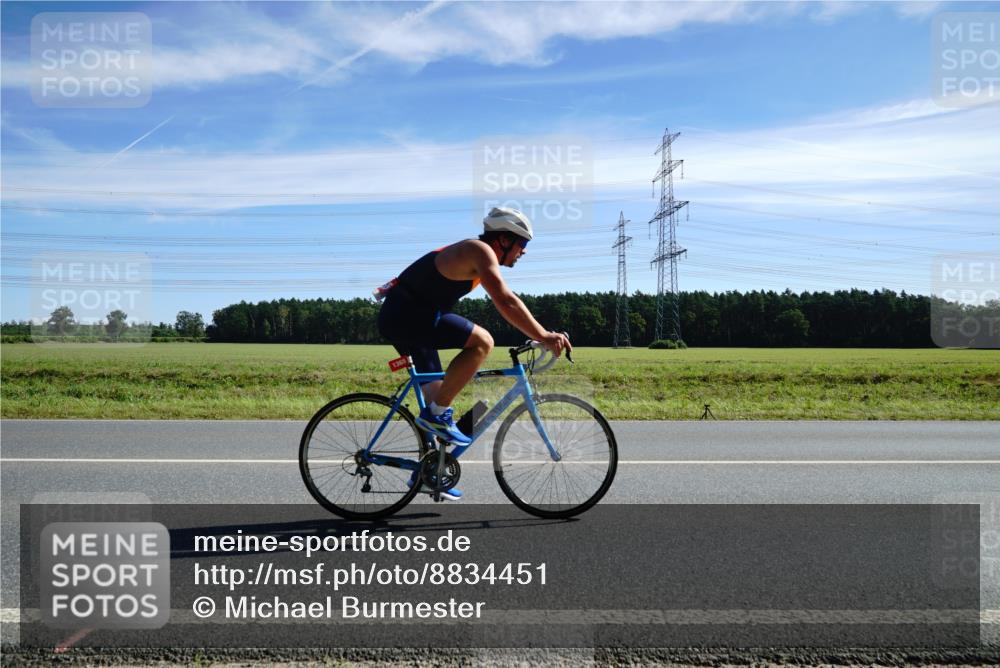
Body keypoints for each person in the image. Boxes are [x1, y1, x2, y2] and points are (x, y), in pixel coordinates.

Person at [376, 207, 571, 497]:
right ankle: (436, 415)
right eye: (522, 243)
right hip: (408, 316)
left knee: (441, 401)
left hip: (409, 316)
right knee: (483, 342)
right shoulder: (480, 251)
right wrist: (543, 335)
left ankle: (429, 474)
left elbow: (509, 300)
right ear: (504, 239)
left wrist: (538, 334)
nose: (524, 251)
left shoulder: (476, 254)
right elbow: (506, 300)